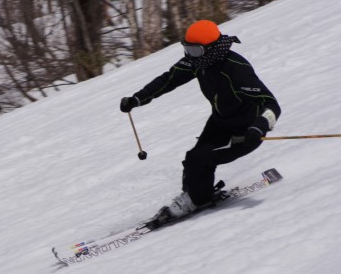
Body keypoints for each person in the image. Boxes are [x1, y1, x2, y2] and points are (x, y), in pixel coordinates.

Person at [120, 19, 281, 220]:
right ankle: (193, 193)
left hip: (246, 132)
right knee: (192, 158)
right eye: (187, 49)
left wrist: (260, 127)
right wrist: (137, 99)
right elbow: (169, 79)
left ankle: (197, 199)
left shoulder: (235, 68)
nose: (189, 55)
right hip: (220, 122)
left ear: (212, 48)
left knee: (201, 159)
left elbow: (271, 104)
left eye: (194, 50)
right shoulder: (199, 61)